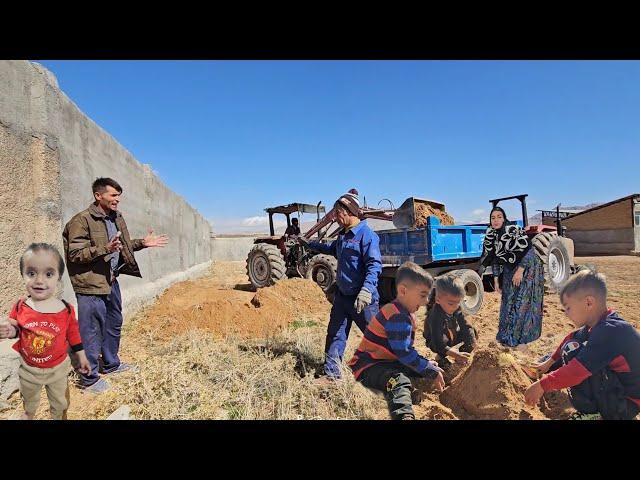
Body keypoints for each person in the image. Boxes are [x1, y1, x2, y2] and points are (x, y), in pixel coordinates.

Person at [62, 177, 169, 393]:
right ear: (98, 195)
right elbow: (75, 254)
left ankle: (111, 364)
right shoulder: (81, 220)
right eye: (113, 195)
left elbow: (122, 246)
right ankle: (89, 379)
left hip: (111, 280)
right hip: (90, 284)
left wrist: (142, 244)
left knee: (113, 324)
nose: (117, 200)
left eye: (119, 196)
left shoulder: (116, 218)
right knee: (91, 331)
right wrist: (105, 248)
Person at [524, 269, 640, 420]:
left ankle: (593, 413)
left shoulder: (611, 331)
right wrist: (549, 362)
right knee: (572, 345)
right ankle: (538, 369)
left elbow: (577, 371)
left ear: (589, 302)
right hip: (617, 390)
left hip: (625, 405)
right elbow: (571, 337)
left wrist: (542, 385)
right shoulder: (601, 323)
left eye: (568, 308)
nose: (566, 313)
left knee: (575, 353)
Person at [0, 243, 91, 419]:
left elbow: (73, 334)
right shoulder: (20, 306)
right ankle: (28, 414)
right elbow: (17, 329)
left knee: (60, 404)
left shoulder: (66, 309)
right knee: (29, 402)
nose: (39, 281)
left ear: (58, 278)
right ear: (22, 275)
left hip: (58, 369)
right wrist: (8, 330)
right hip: (29, 370)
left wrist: (82, 356)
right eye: (31, 273)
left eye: (49, 274)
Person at [300, 189, 382, 381]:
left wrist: (366, 290)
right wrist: (310, 244)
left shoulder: (366, 235)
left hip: (363, 300)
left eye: (338, 213)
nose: (336, 218)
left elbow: (374, 265)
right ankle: (332, 375)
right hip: (343, 298)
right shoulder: (343, 236)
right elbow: (332, 249)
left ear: (349, 212)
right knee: (335, 334)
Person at [348, 262, 445, 420]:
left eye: (428, 295)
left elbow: (404, 352)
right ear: (403, 291)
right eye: (422, 295)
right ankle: (404, 415)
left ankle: (409, 391)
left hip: (388, 361)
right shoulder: (397, 315)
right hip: (368, 366)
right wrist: (428, 369)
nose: (427, 300)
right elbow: (404, 354)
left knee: (422, 367)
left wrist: (426, 365)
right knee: (398, 380)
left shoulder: (404, 312)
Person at [480, 206, 544, 348]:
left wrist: (520, 271)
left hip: (527, 267)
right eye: (493, 217)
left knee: (522, 301)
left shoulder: (513, 230)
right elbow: (494, 259)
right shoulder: (492, 235)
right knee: (508, 300)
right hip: (510, 269)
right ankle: (505, 335)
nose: (496, 220)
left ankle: (520, 338)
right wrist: (496, 280)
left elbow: (529, 250)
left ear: (504, 218)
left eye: (499, 217)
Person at [424, 274, 477, 370]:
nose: (455, 307)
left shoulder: (456, 307)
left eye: (458, 302)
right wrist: (455, 354)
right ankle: (440, 358)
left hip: (452, 335)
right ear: (438, 300)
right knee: (441, 347)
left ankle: (463, 354)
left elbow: (465, 325)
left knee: (471, 331)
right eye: (451, 303)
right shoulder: (435, 315)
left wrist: (472, 343)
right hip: (436, 341)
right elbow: (438, 343)